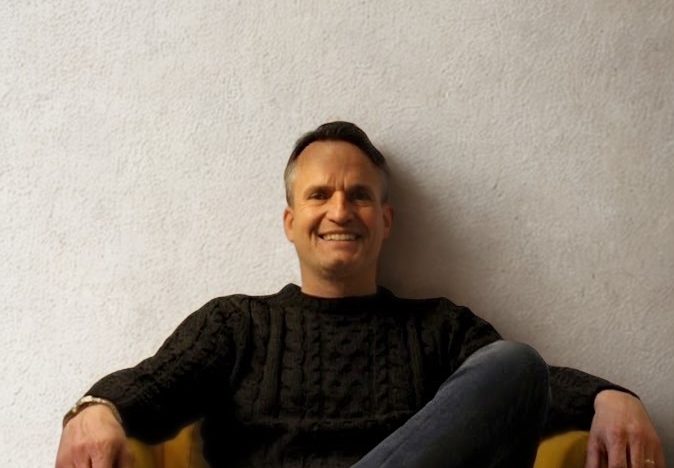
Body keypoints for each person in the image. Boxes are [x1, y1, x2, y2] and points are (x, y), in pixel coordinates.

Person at [56, 122, 664, 467]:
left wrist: (610, 397)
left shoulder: (438, 329)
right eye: (319, 195)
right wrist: (96, 407)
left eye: (360, 196)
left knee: (512, 364)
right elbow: (152, 386)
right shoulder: (237, 325)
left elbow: (525, 390)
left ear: (385, 220)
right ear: (290, 221)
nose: (340, 210)